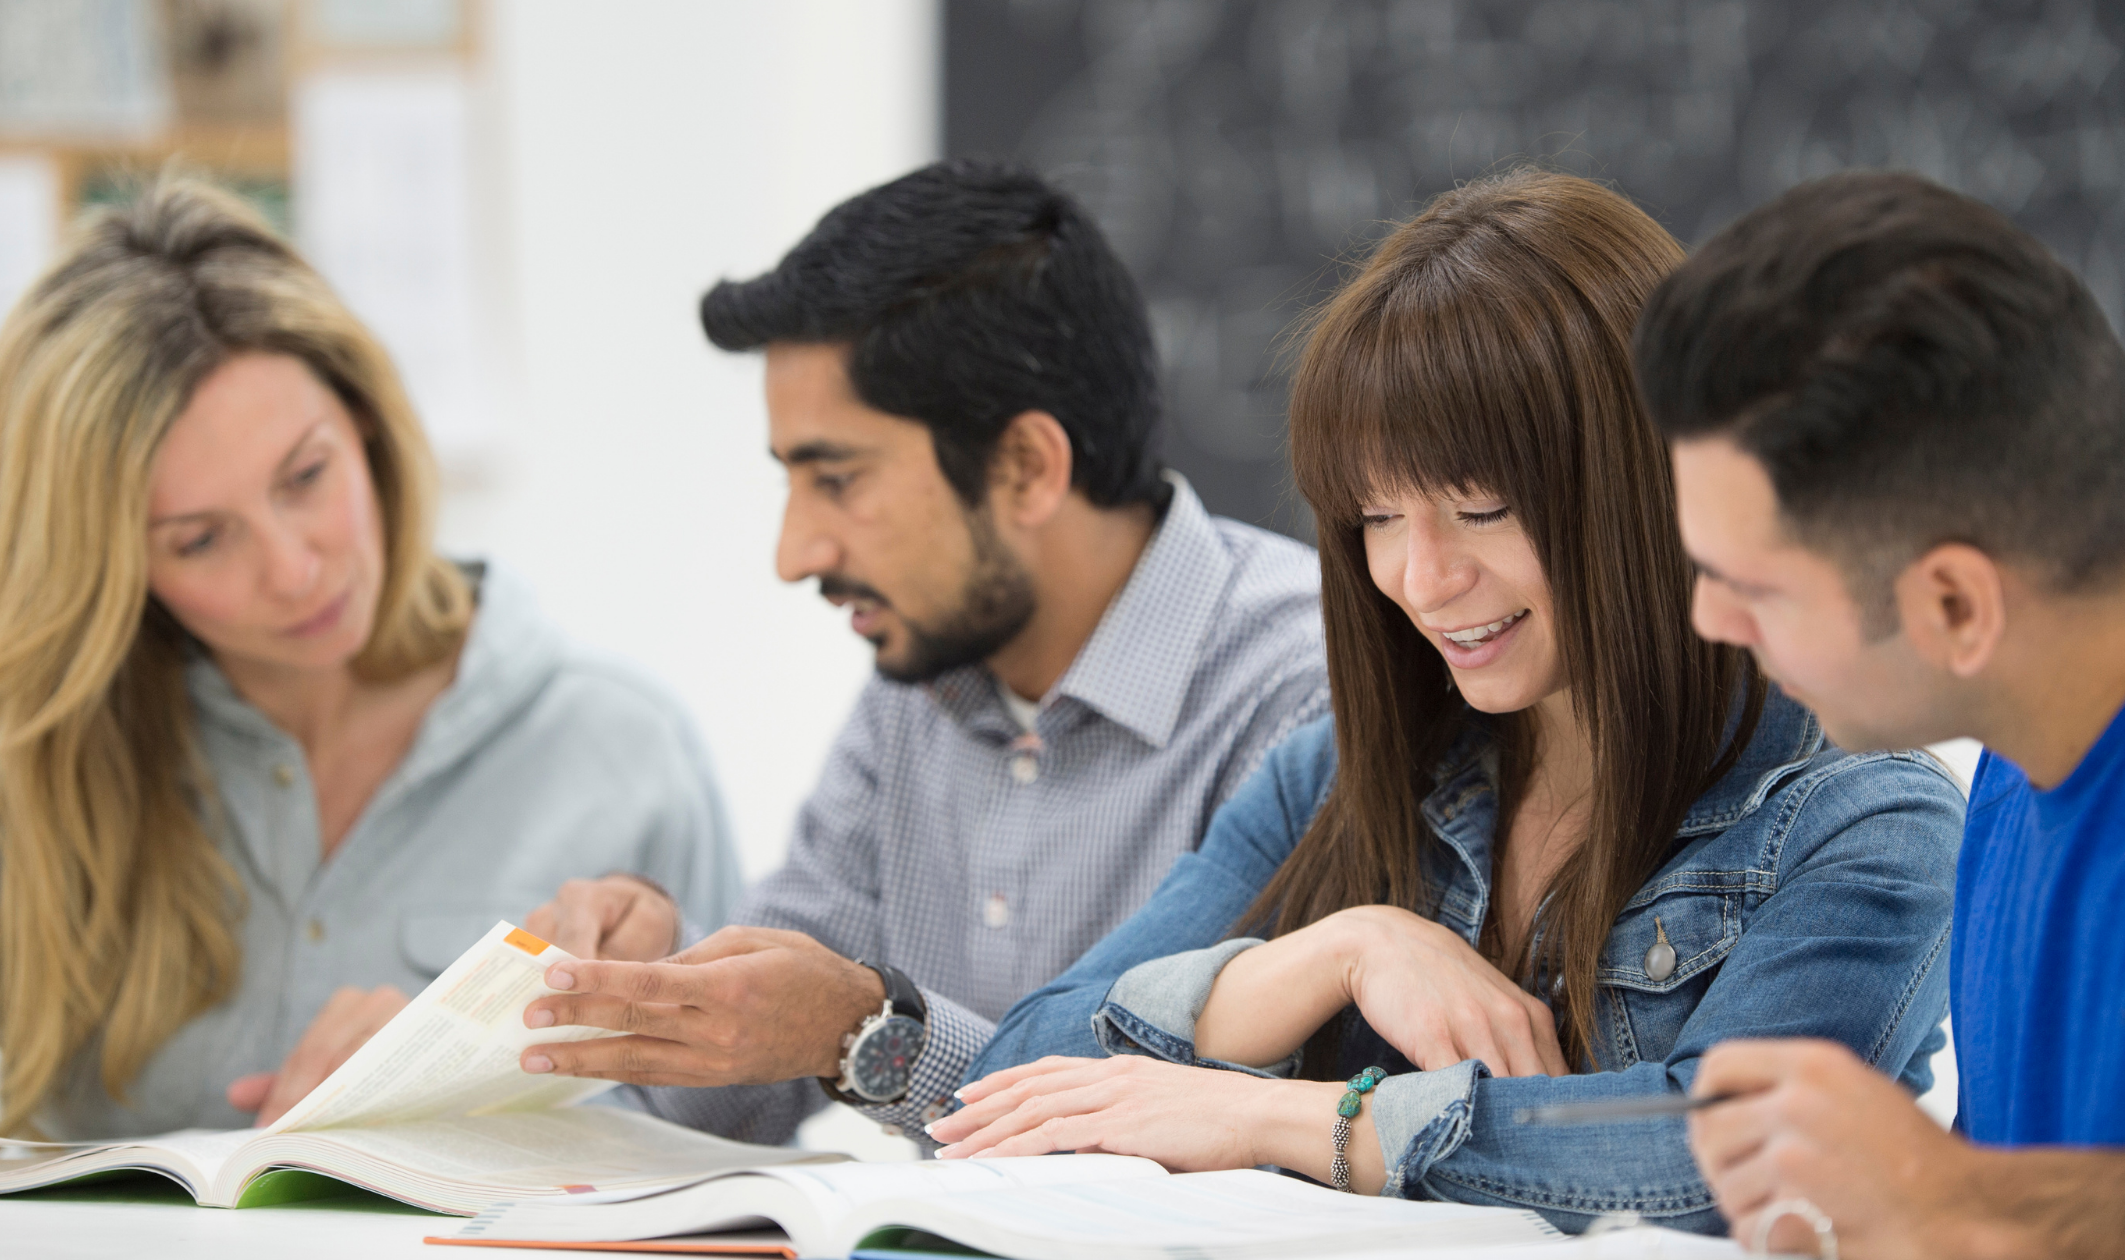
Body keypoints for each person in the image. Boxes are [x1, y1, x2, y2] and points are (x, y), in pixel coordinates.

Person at [922, 170, 1963, 1234]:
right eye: (1375, 516)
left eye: (1478, 508)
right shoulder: (1329, 775)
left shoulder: (1858, 819)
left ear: (1644, 484)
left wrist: (1289, 1119)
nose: (1420, 580)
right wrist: (1347, 948)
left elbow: (1718, 1156)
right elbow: (1018, 1077)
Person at [511, 160, 1328, 1148]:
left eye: (838, 480)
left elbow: (1220, 1118)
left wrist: (866, 1030)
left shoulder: (1303, 693)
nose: (794, 554)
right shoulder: (926, 683)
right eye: (791, 483)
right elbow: (738, 1087)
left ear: (1025, 468)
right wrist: (648, 986)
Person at [0, 177, 741, 1140]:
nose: (293, 568)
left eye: (306, 477)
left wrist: (461, 1098)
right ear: (118, 570)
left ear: (368, 426)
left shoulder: (623, 752)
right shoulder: (42, 765)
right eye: (199, 540)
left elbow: (746, 1157)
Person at [1634, 170, 2125, 1258]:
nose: (1704, 618)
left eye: (1753, 586)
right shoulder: (2017, 760)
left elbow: (1985, 1203)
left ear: (1953, 603)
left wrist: (1962, 1198)